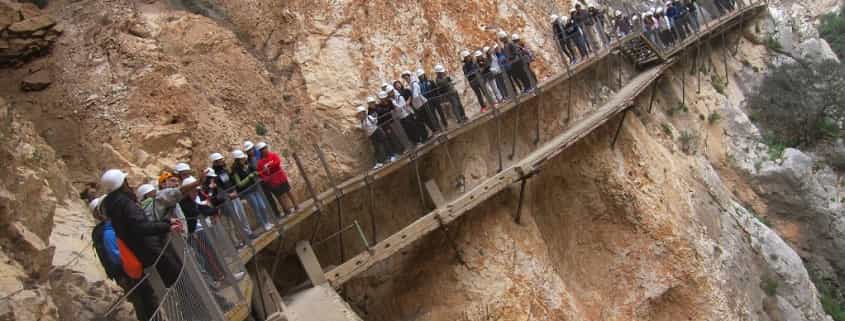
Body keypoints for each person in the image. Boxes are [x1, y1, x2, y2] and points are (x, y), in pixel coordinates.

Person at [99, 169, 184, 318]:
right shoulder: (125, 203)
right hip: (152, 252)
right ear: (122, 184)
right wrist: (166, 225)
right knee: (180, 284)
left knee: (167, 295)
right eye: (126, 181)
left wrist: (165, 222)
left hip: (143, 256)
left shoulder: (112, 207)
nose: (129, 184)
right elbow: (141, 227)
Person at [210, 152, 254, 242]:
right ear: (215, 162)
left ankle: (249, 233)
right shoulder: (214, 176)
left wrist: (235, 191)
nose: (222, 162)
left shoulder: (225, 171)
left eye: (222, 160)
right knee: (236, 218)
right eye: (220, 161)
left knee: (242, 215)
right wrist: (228, 195)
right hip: (228, 200)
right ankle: (243, 237)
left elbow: (231, 182)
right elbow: (217, 190)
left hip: (234, 195)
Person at [231, 149, 275, 230]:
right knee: (257, 209)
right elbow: (239, 184)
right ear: (237, 160)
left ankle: (267, 222)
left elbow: (255, 172)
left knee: (262, 206)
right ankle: (264, 225)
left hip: (255, 189)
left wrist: (261, 171)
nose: (244, 160)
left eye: (243, 158)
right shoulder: (235, 172)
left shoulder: (247, 166)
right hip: (248, 192)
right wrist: (249, 177)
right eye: (241, 159)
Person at [255, 143, 299, 216]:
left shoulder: (273, 155)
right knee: (281, 196)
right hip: (273, 181)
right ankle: (287, 209)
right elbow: (261, 173)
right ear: (260, 151)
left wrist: (269, 167)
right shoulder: (260, 163)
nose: (265, 150)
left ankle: (296, 205)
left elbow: (277, 162)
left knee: (288, 191)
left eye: (265, 148)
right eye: (262, 149)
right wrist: (266, 175)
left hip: (281, 177)